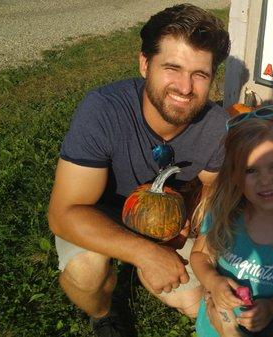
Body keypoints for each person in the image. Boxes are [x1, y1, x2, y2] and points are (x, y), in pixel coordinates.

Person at [47, 4, 230, 336]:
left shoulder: (215, 125)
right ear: (145, 63)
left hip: (167, 224)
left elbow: (215, 187)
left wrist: (198, 222)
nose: (186, 87)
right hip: (100, 214)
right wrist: (144, 252)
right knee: (86, 271)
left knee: (194, 300)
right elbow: (64, 213)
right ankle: (104, 313)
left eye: (200, 74)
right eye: (172, 68)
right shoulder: (103, 110)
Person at [190, 106, 273, 337]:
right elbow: (199, 255)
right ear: (234, 176)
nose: (265, 181)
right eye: (251, 170)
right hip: (213, 327)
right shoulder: (224, 214)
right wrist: (213, 282)